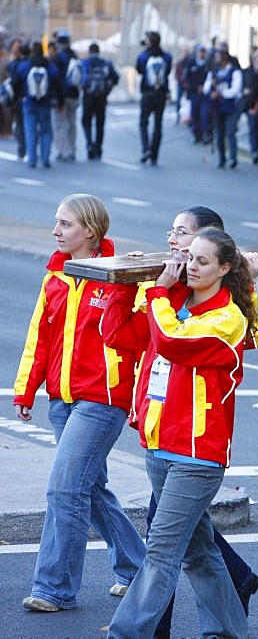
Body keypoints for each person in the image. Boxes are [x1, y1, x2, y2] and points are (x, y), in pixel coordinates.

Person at [103, 227, 258, 639]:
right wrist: (125, 284)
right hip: (160, 446)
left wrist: (156, 293)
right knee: (198, 550)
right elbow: (117, 335)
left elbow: (172, 341)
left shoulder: (228, 318)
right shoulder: (172, 303)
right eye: (189, 257)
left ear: (225, 268)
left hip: (198, 454)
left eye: (202, 261)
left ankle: (124, 634)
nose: (190, 266)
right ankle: (228, 631)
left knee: (160, 550)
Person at [14, 193, 146, 612]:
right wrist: (26, 388)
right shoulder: (54, 277)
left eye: (65, 224)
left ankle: (53, 588)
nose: (55, 231)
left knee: (64, 490)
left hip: (102, 401)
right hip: (62, 401)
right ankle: (139, 569)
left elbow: (140, 341)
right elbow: (40, 337)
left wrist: (139, 402)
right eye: (56, 222)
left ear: (90, 230)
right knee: (89, 489)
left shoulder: (122, 275)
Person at [12, 41, 62, 168]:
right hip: (45, 103)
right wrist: (60, 101)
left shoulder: (25, 65)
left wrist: (16, 98)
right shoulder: (49, 66)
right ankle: (45, 158)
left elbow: (16, 83)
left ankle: (32, 159)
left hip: (28, 103)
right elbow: (58, 83)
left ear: (32, 52)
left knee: (30, 131)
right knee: (46, 131)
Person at [136, 30, 172, 165]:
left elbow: (139, 70)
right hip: (161, 94)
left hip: (147, 93)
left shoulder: (143, 56)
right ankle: (154, 154)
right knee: (158, 125)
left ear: (149, 42)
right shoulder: (166, 56)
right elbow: (168, 71)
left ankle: (146, 148)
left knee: (143, 122)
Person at [79, 42, 119, 160]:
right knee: (100, 123)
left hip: (88, 96)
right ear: (99, 51)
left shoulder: (84, 63)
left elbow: (78, 77)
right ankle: (98, 148)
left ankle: (89, 144)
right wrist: (108, 89)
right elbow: (116, 77)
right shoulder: (106, 63)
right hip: (101, 97)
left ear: (89, 51)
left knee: (86, 121)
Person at [205, 50, 244, 169]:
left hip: (231, 106)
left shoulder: (235, 72)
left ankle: (233, 158)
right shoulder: (214, 72)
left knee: (231, 132)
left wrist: (221, 94)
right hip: (218, 107)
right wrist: (211, 85)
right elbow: (207, 89)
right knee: (219, 133)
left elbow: (236, 89)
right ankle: (222, 158)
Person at [51, 29, 79, 162]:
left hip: (60, 96)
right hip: (74, 95)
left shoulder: (57, 58)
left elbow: (54, 78)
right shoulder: (74, 56)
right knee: (72, 123)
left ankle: (64, 151)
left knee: (60, 124)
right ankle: (72, 149)